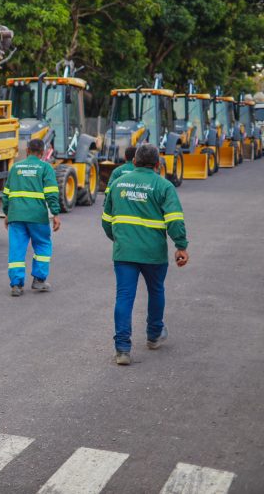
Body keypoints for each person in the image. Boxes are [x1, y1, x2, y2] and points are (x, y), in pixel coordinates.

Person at [102, 143, 189, 366]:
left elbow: (106, 220)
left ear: (133, 161)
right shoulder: (163, 185)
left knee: (124, 297)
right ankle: (153, 336)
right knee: (156, 291)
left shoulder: (118, 183)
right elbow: (174, 220)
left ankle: (122, 350)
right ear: (158, 164)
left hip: (124, 253)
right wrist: (181, 245)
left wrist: (120, 239)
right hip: (154, 253)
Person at [2, 138, 61, 297]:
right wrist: (55, 213)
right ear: (42, 153)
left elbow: (6, 194)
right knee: (42, 246)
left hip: (16, 216)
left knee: (17, 249)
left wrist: (7, 213)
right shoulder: (45, 168)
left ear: (27, 151)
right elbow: (51, 193)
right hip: (37, 217)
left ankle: (16, 286)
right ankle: (39, 281)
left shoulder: (15, 168)